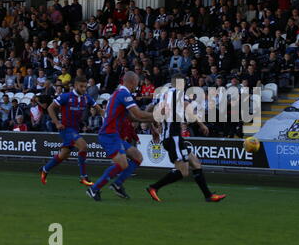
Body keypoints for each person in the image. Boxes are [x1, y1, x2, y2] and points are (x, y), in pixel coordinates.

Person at [144, 74, 227, 203]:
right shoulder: (180, 93)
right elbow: (189, 110)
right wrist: (201, 124)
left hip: (172, 137)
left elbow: (149, 108)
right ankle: (154, 187)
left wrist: (152, 127)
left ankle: (208, 196)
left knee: (195, 163)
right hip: (173, 138)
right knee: (183, 172)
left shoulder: (162, 95)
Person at [87, 72, 158, 201]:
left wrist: (151, 120)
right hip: (109, 134)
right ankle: (94, 188)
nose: (137, 85)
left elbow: (132, 116)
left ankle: (117, 184)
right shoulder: (123, 94)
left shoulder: (118, 93)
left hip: (114, 135)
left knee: (137, 157)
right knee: (122, 164)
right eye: (137, 83)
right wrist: (157, 116)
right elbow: (139, 115)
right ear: (131, 82)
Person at [39, 76, 104, 186]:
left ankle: (45, 169)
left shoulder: (86, 97)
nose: (84, 89)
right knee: (83, 146)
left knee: (63, 155)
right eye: (81, 86)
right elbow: (50, 108)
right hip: (66, 129)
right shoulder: (66, 96)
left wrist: (104, 116)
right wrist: (57, 123)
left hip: (75, 129)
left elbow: (99, 109)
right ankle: (83, 176)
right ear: (75, 85)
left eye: (85, 86)